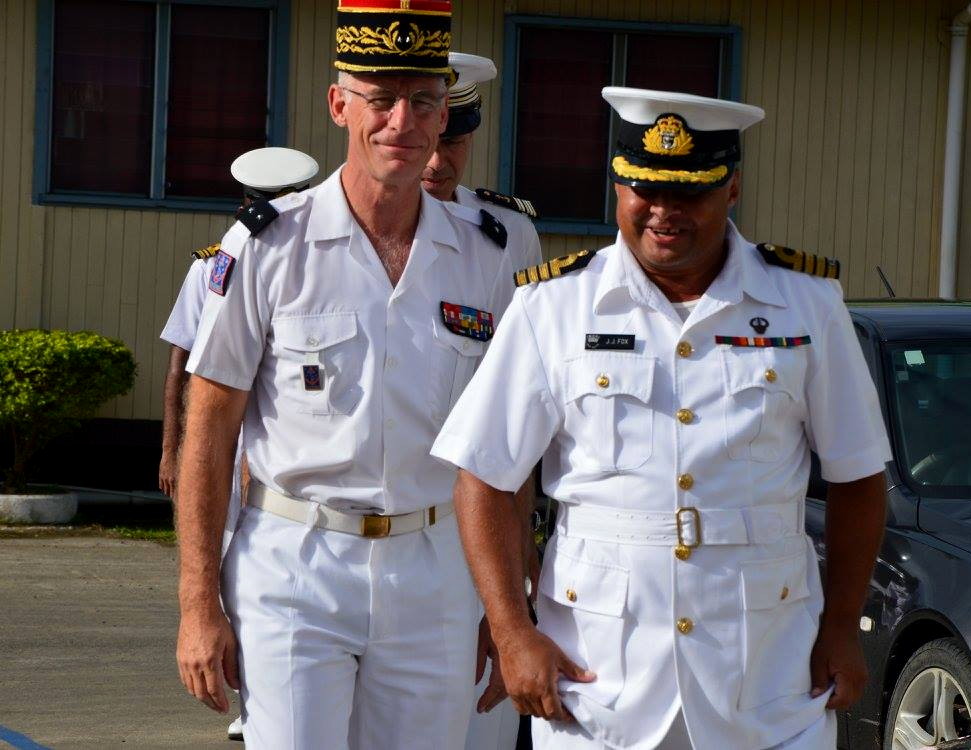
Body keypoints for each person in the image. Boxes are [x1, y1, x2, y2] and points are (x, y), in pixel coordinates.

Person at [432, 86, 892, 750]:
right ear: (617, 186)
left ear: (731, 189)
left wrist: (843, 626)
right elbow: (483, 478)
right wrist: (511, 631)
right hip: (598, 680)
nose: (663, 213)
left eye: (690, 194)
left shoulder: (806, 304)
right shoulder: (554, 306)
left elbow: (857, 478)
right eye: (644, 190)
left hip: (765, 674)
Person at [173, 1, 534, 747]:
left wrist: (509, 610)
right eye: (380, 99)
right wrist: (196, 604)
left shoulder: (492, 250)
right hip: (295, 568)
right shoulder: (270, 244)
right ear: (340, 105)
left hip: (436, 570)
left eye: (423, 102)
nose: (401, 121)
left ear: (444, 118)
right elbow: (209, 430)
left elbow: (511, 445)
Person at [158, 145, 318, 743]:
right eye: (259, 204)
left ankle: (262, 699)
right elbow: (184, 366)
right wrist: (172, 449)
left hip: (272, 455)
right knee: (227, 571)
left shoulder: (320, 258)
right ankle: (256, 697)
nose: (269, 214)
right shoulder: (215, 265)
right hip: (219, 448)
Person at [419, 51, 542, 750]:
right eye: (431, 142)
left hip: (474, 529)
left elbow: (523, 407)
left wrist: (523, 542)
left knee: (476, 725)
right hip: (372, 521)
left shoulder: (506, 237)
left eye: (454, 141)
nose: (438, 161)